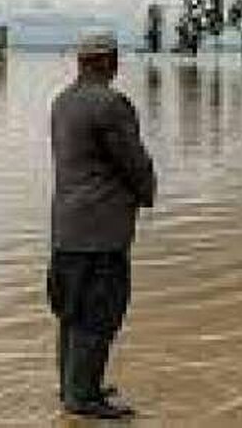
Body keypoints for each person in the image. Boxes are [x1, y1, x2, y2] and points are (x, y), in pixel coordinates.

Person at [48, 30, 157, 419]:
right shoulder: (111, 104)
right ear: (109, 61)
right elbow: (133, 162)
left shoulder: (62, 102)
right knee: (100, 310)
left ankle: (74, 386)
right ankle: (84, 398)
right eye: (115, 58)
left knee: (71, 311)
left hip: (66, 228)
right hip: (100, 232)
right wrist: (147, 192)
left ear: (80, 62)